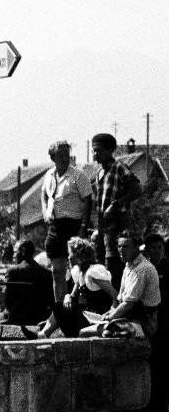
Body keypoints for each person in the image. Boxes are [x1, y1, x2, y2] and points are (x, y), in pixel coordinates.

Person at [40, 140, 93, 303]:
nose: (64, 158)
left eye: (66, 154)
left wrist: (83, 227)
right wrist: (44, 212)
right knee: (57, 271)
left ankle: (78, 305)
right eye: (60, 155)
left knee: (77, 270)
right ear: (52, 157)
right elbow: (44, 194)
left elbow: (88, 200)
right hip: (55, 227)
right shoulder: (49, 175)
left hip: (74, 225)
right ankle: (59, 309)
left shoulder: (78, 175)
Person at [85, 233, 160, 339]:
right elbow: (119, 299)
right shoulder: (128, 266)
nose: (121, 250)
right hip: (128, 319)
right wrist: (107, 313)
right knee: (91, 331)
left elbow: (128, 304)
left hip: (143, 324)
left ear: (136, 248)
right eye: (119, 246)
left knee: (86, 333)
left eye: (125, 246)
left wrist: (109, 317)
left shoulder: (142, 269)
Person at [90, 133, 141, 289]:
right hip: (103, 225)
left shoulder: (119, 167)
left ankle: (118, 299)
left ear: (110, 150)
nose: (95, 154)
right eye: (94, 150)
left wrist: (116, 204)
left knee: (114, 262)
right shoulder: (99, 173)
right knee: (100, 263)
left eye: (98, 150)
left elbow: (136, 190)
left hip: (118, 223)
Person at [41, 236, 116, 338]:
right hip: (88, 315)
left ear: (79, 255)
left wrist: (111, 313)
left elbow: (115, 295)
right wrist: (68, 296)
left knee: (60, 309)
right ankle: (44, 333)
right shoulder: (79, 272)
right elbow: (72, 295)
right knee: (59, 306)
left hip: (99, 317)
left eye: (70, 254)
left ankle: (44, 332)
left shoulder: (93, 271)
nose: (68, 257)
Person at [1, 239, 55, 333]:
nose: (14, 255)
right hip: (38, 319)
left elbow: (5, 300)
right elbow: (50, 301)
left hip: (14, 319)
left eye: (15, 251)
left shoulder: (12, 271)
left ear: (22, 251)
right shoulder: (46, 273)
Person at [143, 233, 169, 412]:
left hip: (166, 321)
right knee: (155, 363)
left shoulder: (167, 267)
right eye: (152, 248)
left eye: (158, 247)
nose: (156, 251)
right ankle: (156, 404)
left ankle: (161, 405)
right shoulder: (146, 268)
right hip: (153, 321)